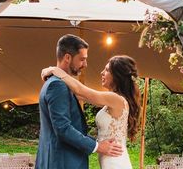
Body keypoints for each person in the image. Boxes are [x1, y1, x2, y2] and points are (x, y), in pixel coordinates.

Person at [35, 34, 124, 169]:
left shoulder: (55, 83)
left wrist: (54, 70)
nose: (85, 64)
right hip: (63, 163)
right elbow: (63, 128)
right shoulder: (57, 86)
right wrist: (97, 146)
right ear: (67, 57)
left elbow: (84, 93)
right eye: (82, 59)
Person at [41, 53, 141, 169]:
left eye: (107, 70)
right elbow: (75, 94)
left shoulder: (116, 99)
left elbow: (80, 90)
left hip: (115, 161)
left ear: (117, 76)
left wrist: (55, 70)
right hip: (109, 159)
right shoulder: (111, 100)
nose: (102, 72)